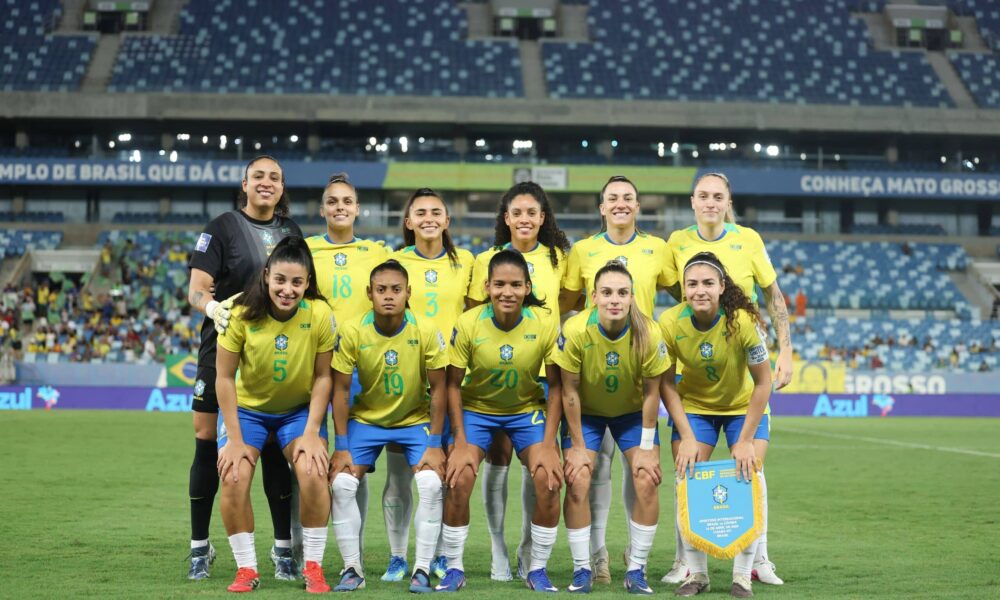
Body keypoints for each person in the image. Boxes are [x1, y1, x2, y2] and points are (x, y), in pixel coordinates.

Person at [662, 172, 792, 586]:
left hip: (743, 384)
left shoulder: (748, 241)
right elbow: (664, 290)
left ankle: (756, 561)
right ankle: (688, 564)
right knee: (686, 472)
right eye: (703, 195)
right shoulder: (676, 244)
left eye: (718, 196)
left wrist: (787, 350)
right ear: (692, 201)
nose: (710, 202)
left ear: (728, 201)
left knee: (750, 469)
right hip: (698, 391)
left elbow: (773, 296)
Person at [186, 155, 303, 580]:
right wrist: (213, 308)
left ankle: (282, 549)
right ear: (245, 183)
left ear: (282, 187)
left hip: (273, 353)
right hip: (221, 347)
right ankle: (200, 547)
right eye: (258, 176)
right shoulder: (221, 228)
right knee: (206, 441)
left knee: (271, 444)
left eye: (274, 177)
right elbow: (196, 291)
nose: (266, 183)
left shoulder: (292, 232)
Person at [561, 175, 672, 584]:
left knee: (643, 472)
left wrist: (648, 445)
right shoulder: (582, 251)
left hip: (633, 393)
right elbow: (564, 301)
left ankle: (635, 565)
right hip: (591, 395)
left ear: (638, 206)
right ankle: (591, 562)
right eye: (613, 198)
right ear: (601, 207)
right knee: (586, 473)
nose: (621, 203)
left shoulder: (658, 249)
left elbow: (687, 293)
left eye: (628, 198)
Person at [436, 250, 564, 592]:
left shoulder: (544, 323)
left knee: (549, 480)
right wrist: (459, 440)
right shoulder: (468, 323)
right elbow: (452, 385)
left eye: (516, 285)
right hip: (477, 411)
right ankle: (454, 567)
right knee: (458, 478)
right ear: (487, 287)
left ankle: (537, 568)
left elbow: (556, 387)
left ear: (527, 288)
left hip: (526, 411)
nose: (507, 292)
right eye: (500, 285)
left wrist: (548, 445)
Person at [214, 236, 336, 593]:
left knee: (313, 471)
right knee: (233, 475)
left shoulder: (320, 314)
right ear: (267, 275)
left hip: (297, 412)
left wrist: (312, 432)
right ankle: (246, 569)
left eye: (297, 282)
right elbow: (223, 378)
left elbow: (324, 377)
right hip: (247, 412)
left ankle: (313, 566)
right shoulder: (240, 313)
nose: (287, 290)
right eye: (280, 280)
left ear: (308, 283)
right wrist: (234, 439)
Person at [465, 181, 571, 581]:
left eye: (532, 212)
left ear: (543, 218)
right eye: (517, 212)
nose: (524, 219)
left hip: (544, 374)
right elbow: (475, 312)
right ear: (506, 218)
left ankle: (529, 548)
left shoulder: (560, 258)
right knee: (498, 459)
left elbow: (570, 301)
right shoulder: (485, 260)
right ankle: (498, 548)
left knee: (539, 465)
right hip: (495, 376)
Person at [328, 260, 449, 593]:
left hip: (414, 421)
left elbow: (439, 388)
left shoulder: (426, 330)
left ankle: (421, 569)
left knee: (430, 484)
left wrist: (435, 443)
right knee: (341, 485)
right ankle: (352, 569)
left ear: (408, 292)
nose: (389, 296)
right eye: (381, 290)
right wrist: (341, 446)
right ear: (369, 293)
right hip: (366, 420)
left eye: (396, 289)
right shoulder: (353, 331)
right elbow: (340, 391)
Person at [658, 252, 773, 599]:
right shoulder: (670, 322)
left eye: (708, 283)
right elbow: (666, 384)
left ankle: (743, 576)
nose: (700, 290)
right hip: (695, 408)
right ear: (683, 289)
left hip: (743, 408)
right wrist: (687, 436)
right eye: (692, 284)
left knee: (750, 476)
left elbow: (763, 383)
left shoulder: (743, 322)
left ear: (722, 286)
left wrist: (746, 440)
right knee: (687, 479)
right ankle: (698, 574)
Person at [386, 189, 474, 582]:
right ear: (408, 222)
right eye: (420, 212)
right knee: (398, 475)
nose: (428, 218)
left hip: (453, 380)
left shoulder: (466, 261)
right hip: (406, 379)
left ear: (447, 220)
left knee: (443, 472)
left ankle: (439, 554)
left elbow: (475, 316)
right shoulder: (394, 262)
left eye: (436, 211)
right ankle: (397, 556)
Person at [306, 172, 390, 568]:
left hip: (360, 371)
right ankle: (301, 549)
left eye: (346, 202)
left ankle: (350, 554)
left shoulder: (375, 252)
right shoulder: (306, 249)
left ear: (357, 209)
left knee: (355, 465)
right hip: (313, 367)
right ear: (322, 210)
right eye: (333, 202)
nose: (340, 207)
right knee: (308, 463)